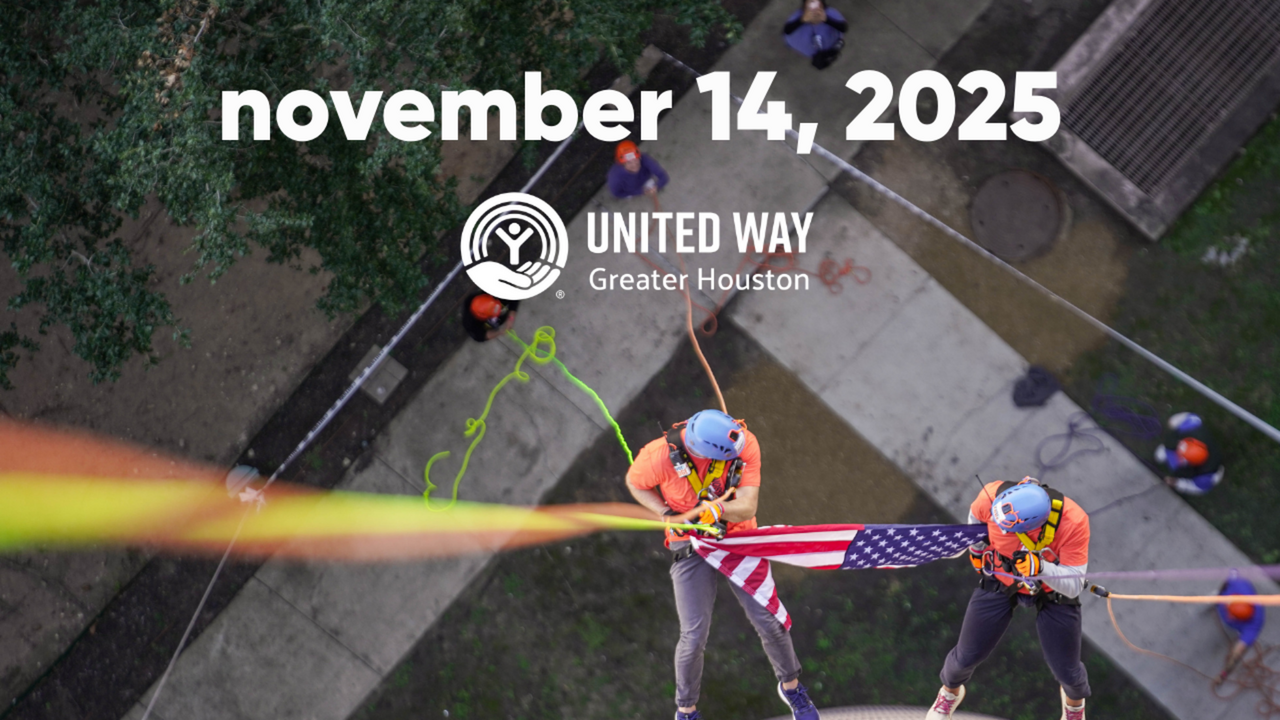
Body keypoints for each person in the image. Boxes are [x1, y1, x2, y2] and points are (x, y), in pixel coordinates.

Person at [625, 409, 819, 720]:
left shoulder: (743, 442)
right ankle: (686, 711)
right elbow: (636, 483)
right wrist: (665, 513)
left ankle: (792, 688)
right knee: (693, 636)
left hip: (739, 536)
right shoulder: (658, 456)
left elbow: (747, 507)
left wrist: (716, 511)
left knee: (769, 620)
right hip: (690, 541)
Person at [927, 477, 1091, 720]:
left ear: (1030, 527)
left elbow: (1074, 586)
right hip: (1003, 577)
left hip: (1052, 589)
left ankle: (1074, 708)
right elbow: (975, 520)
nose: (1000, 528)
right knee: (964, 657)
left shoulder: (1073, 522)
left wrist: (1040, 568)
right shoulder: (991, 495)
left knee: (1068, 672)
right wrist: (977, 551)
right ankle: (950, 693)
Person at [1154, 412, 1224, 495]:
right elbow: (1188, 418)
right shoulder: (1195, 429)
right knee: (1160, 455)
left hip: (1202, 474)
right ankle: (1166, 453)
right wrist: (1173, 424)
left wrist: (1177, 483)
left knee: (1164, 458)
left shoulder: (1206, 476)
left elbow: (1197, 488)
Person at [1215, 569, 1265, 685]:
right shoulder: (1240, 584)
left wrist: (1224, 674)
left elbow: (1237, 653)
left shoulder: (1253, 627)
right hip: (1224, 598)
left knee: (1242, 643)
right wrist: (1219, 594)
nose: (1230, 617)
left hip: (1241, 624)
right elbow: (1229, 578)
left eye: (1233, 616)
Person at [782, 0, 847, 69]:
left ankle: (829, 54)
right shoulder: (799, 15)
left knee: (831, 50)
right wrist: (802, 20)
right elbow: (787, 30)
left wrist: (826, 19)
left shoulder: (829, 13)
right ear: (805, 7)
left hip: (830, 42)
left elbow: (843, 28)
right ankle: (825, 55)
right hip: (806, 45)